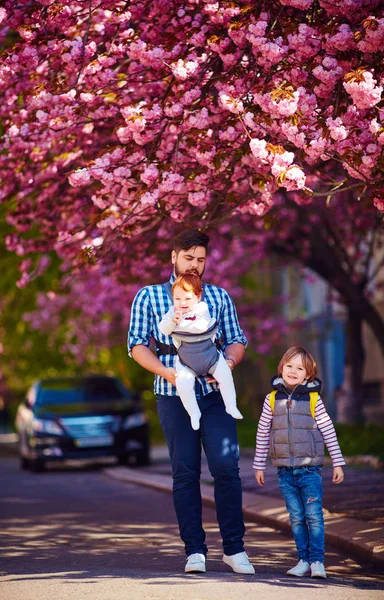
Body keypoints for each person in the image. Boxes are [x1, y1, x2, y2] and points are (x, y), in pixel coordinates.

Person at [128, 229, 254, 575]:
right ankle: (195, 551)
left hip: (214, 396)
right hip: (172, 395)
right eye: (189, 258)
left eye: (201, 259)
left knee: (227, 468)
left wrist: (227, 364)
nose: (195, 265)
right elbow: (137, 345)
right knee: (185, 472)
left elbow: (237, 340)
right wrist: (167, 374)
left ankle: (234, 548)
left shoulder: (218, 296)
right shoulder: (150, 297)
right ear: (173, 257)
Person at [253, 346, 345, 579]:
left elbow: (328, 429)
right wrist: (258, 465)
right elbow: (263, 432)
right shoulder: (271, 399)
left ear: (308, 375)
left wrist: (337, 461)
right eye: (289, 366)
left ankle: (317, 561)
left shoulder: (314, 399)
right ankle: (302, 560)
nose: (293, 371)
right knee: (296, 516)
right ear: (281, 368)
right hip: (285, 471)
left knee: (313, 515)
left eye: (299, 368)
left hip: (309, 470)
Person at [157, 272, 243, 430]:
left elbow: (200, 327)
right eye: (177, 299)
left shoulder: (202, 309)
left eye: (187, 298)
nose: (182, 303)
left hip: (210, 357)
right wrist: (171, 322)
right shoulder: (172, 313)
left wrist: (179, 325)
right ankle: (193, 413)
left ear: (198, 297)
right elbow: (163, 329)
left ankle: (231, 405)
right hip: (186, 360)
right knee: (183, 384)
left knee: (225, 376)